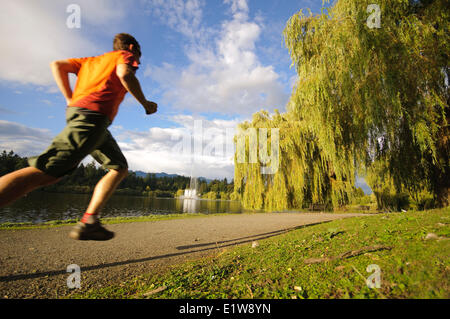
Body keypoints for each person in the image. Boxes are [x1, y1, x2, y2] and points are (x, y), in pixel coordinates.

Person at [0, 33, 157, 241]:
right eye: (138, 54)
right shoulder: (124, 55)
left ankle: (89, 221)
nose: (138, 60)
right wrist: (145, 104)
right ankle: (89, 221)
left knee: (118, 167)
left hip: (95, 122)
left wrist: (69, 97)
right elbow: (125, 74)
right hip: (91, 119)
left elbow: (58, 65)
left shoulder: (91, 62)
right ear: (130, 47)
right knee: (47, 170)